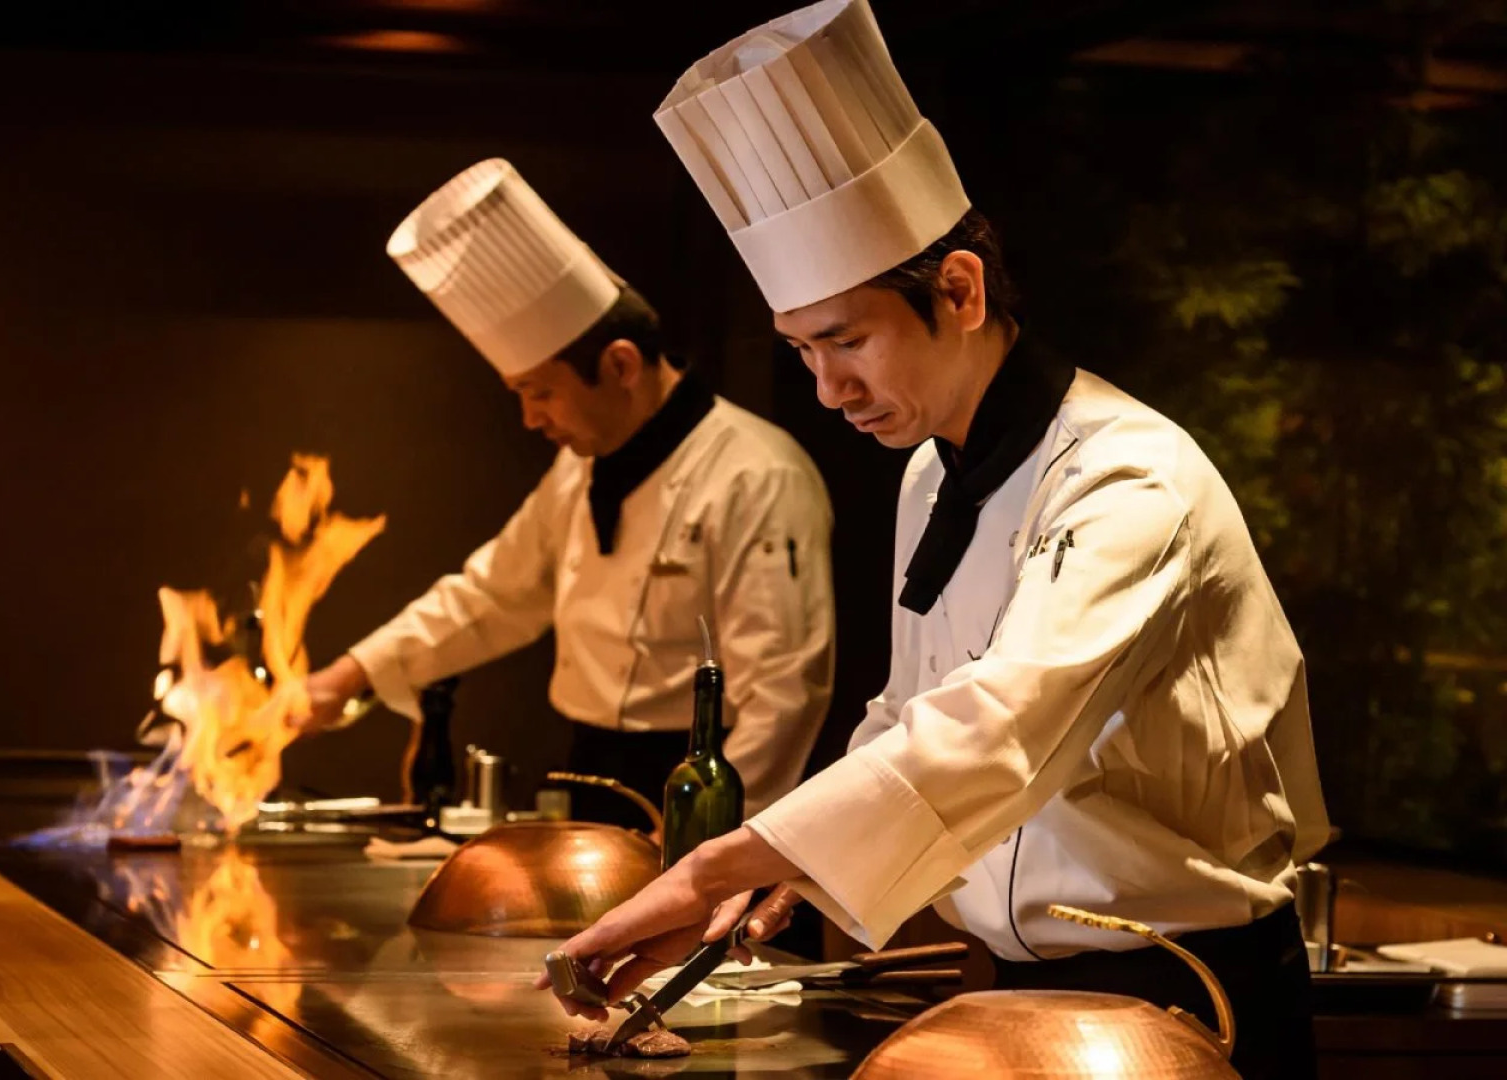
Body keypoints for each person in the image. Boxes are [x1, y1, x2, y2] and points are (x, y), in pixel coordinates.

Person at [540, 4, 1330, 1076]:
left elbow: (999, 723)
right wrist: (794, 870)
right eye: (802, 351)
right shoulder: (929, 469)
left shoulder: (1131, 479)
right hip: (1016, 992)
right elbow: (908, 714)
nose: (828, 390)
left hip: (1184, 995)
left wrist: (728, 858)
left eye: (846, 340)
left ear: (957, 290)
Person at [298, 159, 835, 822]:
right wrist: (343, 680)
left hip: (701, 786)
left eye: (540, 392)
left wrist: (707, 854)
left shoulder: (756, 477)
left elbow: (784, 698)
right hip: (587, 774)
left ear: (620, 366)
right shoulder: (580, 466)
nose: (530, 419)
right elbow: (494, 595)